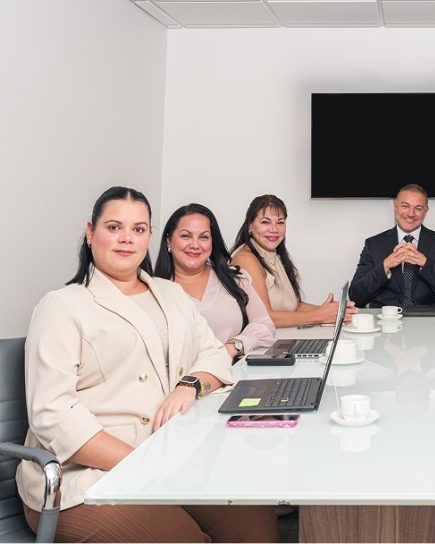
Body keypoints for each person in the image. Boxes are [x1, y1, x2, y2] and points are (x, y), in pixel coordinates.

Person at [18, 186, 278, 543]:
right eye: (114, 227)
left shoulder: (170, 294)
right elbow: (53, 413)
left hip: (169, 461)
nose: (127, 238)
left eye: (138, 229)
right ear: (91, 232)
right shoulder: (62, 305)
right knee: (185, 540)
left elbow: (214, 353)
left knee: (256, 523)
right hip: (85, 478)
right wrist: (144, 461)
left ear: (150, 237)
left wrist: (190, 385)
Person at [154, 203, 275, 361]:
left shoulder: (235, 279)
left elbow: (264, 325)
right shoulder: (152, 290)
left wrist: (234, 347)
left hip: (233, 372)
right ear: (168, 241)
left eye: (204, 237)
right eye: (186, 236)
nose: (195, 245)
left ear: (212, 242)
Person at [231, 194, 356, 328]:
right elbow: (265, 317)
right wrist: (320, 315)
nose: (274, 229)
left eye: (280, 222)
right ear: (249, 226)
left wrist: (333, 311)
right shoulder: (246, 259)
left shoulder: (273, 254)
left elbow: (292, 306)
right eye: (265, 222)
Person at [348, 184, 435, 308]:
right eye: (405, 206)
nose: (411, 214)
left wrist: (425, 263)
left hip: (429, 318)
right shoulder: (373, 244)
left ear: (425, 211)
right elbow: (356, 297)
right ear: (395, 206)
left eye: (418, 208)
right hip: (385, 318)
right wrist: (385, 265)